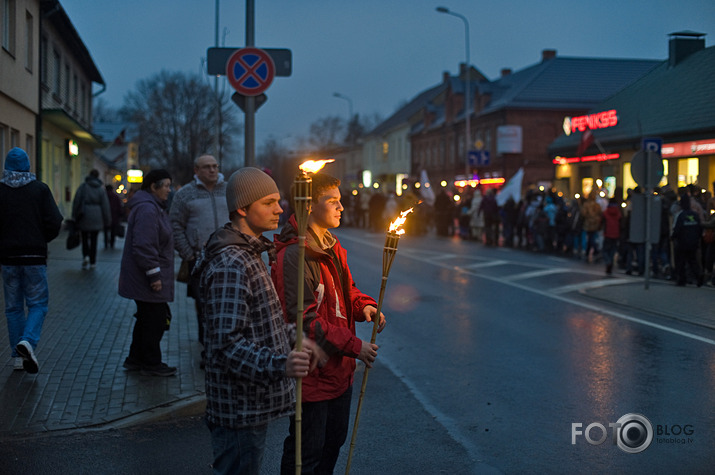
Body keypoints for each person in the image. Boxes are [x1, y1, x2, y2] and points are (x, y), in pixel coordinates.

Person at [193, 167, 317, 475]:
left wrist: (294, 335)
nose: (280, 209)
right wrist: (281, 365)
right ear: (242, 209)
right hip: (239, 411)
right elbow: (228, 345)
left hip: (250, 408)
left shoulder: (250, 254)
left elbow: (258, 323)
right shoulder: (232, 263)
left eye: (278, 200)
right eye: (269, 202)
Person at [272, 172, 386, 475]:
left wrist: (365, 306)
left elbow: (345, 290)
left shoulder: (331, 244)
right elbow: (304, 321)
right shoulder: (296, 255)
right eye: (332, 201)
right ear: (308, 205)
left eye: (340, 200)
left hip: (339, 372)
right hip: (314, 373)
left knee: (333, 443)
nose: (341, 207)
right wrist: (355, 346)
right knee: (306, 452)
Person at [0, 147, 63, 373]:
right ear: (28, 166)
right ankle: (28, 342)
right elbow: (55, 222)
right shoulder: (40, 190)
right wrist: (40, 240)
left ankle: (18, 358)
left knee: (13, 307)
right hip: (34, 257)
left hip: (8, 259)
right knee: (37, 304)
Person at [169, 154, 228, 367]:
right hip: (199, 260)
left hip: (227, 258)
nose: (212, 170)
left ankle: (225, 347)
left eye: (215, 166)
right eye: (206, 167)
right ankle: (208, 349)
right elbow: (174, 225)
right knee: (204, 306)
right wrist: (189, 254)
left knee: (227, 304)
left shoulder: (228, 190)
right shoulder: (185, 195)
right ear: (196, 170)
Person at [118, 169, 177, 376]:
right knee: (155, 319)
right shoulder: (148, 209)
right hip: (147, 277)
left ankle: (135, 359)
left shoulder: (152, 207)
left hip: (144, 275)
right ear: (153, 187)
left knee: (146, 318)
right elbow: (144, 245)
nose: (169, 191)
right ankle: (151, 362)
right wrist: (154, 275)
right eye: (166, 186)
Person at [72, 169, 110, 269]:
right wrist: (107, 220)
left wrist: (74, 215)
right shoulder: (101, 189)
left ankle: (85, 257)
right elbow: (105, 206)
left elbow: (77, 201)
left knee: (84, 238)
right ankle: (93, 261)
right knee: (94, 239)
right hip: (97, 216)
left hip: (84, 214)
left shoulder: (83, 187)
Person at [671, 194, 703, 287]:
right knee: (692, 261)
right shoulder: (694, 215)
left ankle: (682, 280)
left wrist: (673, 237)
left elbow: (677, 229)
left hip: (682, 243)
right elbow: (699, 228)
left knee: (681, 262)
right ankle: (698, 276)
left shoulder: (681, 215)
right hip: (693, 242)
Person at [602, 197, 622, 274]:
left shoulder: (606, 212)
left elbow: (602, 222)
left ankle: (608, 262)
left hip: (607, 233)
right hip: (616, 233)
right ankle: (610, 262)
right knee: (612, 250)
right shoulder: (618, 212)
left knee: (605, 250)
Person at [104, 184, 124, 249]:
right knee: (113, 231)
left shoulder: (104, 196)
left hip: (105, 216)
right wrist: (121, 214)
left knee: (106, 230)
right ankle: (112, 243)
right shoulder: (115, 196)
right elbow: (119, 206)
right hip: (114, 216)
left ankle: (106, 242)